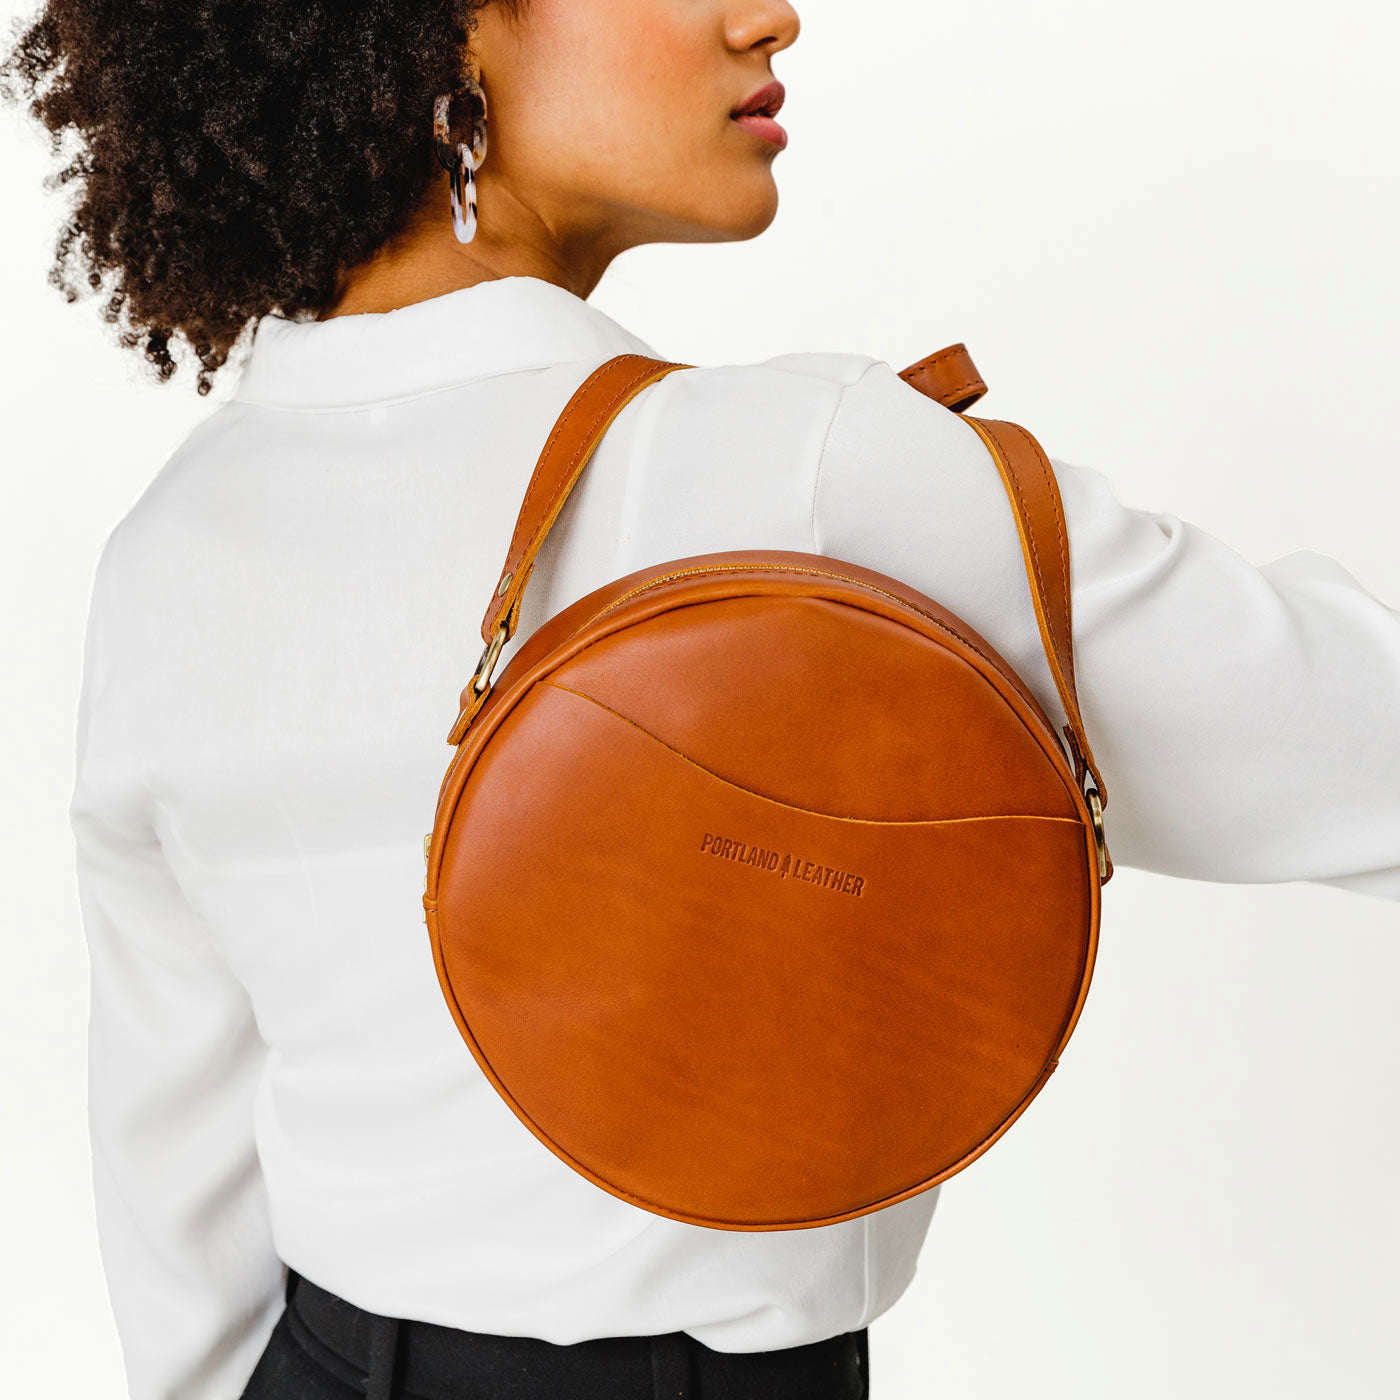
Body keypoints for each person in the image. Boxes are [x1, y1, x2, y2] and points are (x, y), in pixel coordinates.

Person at [5, 1, 1398, 1398]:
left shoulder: (170, 543)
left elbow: (171, 1171)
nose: (770, 16)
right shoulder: (808, 473)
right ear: (447, 31)